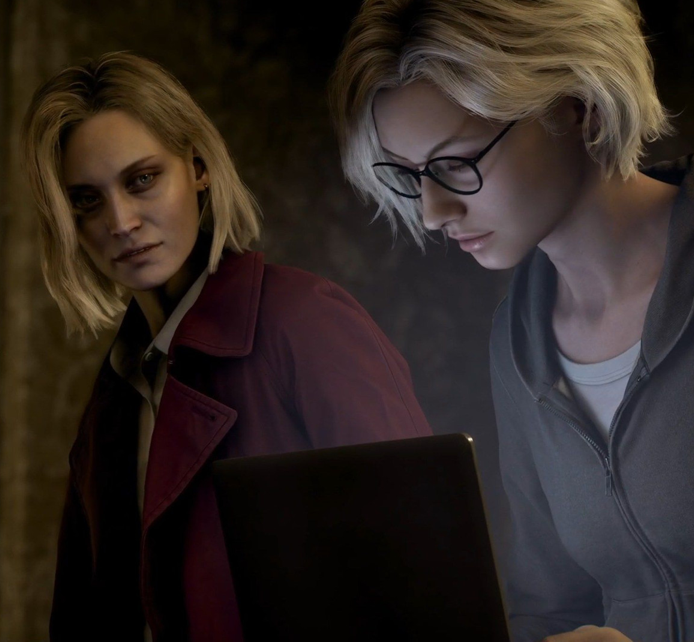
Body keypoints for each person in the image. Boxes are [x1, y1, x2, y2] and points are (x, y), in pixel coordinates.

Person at [327, 0, 694, 640]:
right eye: (410, 175)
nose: (432, 211)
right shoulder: (518, 342)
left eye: (456, 162)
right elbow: (550, 608)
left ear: (579, 105)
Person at [24, 51, 432, 642]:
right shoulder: (115, 393)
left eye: (142, 180)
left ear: (197, 167)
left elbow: (422, 571)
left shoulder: (305, 322)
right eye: (87, 199)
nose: (121, 221)